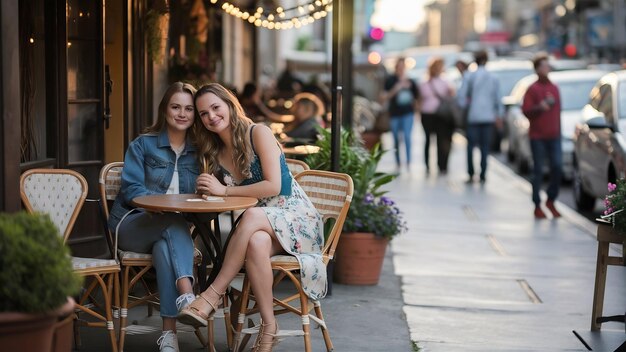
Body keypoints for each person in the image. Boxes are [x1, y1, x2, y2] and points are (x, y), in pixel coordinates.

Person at [177, 83, 324, 352]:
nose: (211, 116)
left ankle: (212, 294)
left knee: (254, 216)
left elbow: (273, 187)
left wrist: (225, 189)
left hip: (295, 218)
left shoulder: (259, 133)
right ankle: (269, 327)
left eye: (215, 107)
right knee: (255, 242)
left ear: (230, 105)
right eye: (203, 113)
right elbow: (231, 198)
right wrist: (210, 191)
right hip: (261, 225)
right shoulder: (215, 153)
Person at [107, 82, 199, 352]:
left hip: (169, 234)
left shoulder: (199, 152)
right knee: (172, 218)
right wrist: (162, 205)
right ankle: (187, 295)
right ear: (165, 110)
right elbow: (132, 190)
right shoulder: (143, 145)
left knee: (164, 246)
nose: (182, 113)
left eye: (189, 109)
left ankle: (169, 336)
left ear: (194, 115)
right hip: (133, 224)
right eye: (175, 107)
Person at [522, 54, 562, 219]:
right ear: (537, 69)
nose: (547, 68)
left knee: (557, 167)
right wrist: (540, 107)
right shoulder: (532, 89)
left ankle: (551, 200)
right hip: (537, 136)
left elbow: (559, 112)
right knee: (538, 170)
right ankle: (537, 204)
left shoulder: (554, 88)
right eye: (543, 66)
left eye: (548, 65)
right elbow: (526, 111)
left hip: (554, 136)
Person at [457, 50, 503, 183]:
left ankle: (471, 173)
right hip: (488, 116)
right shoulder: (493, 77)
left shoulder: (469, 76)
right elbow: (498, 99)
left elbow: (461, 97)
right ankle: (483, 174)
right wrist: (499, 115)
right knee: (485, 146)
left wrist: (467, 105)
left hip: (473, 116)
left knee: (471, 146)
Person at [419, 57, 456, 174]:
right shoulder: (431, 82)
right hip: (432, 115)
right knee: (434, 140)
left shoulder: (429, 82)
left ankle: (436, 165)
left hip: (435, 115)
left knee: (435, 141)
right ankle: (436, 166)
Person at [382, 57, 420, 171]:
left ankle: (408, 161)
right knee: (396, 138)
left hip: (408, 113)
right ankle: (398, 161)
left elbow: (417, 98)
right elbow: (383, 96)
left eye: (402, 66)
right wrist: (396, 89)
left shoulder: (411, 81)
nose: (401, 69)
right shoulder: (390, 80)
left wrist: (417, 110)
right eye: (399, 66)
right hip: (394, 113)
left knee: (407, 137)